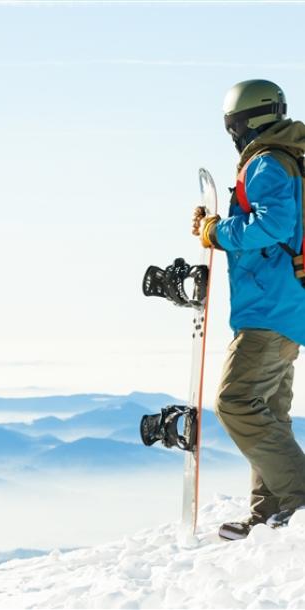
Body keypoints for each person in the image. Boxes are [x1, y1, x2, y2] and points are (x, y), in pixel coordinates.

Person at [193, 79, 305, 541]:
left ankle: (299, 500)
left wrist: (218, 232)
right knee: (269, 412)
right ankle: (270, 514)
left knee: (236, 403)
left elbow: (274, 223)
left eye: (232, 126)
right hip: (286, 307)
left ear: (244, 122)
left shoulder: (265, 162)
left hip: (269, 309)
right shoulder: (291, 158)